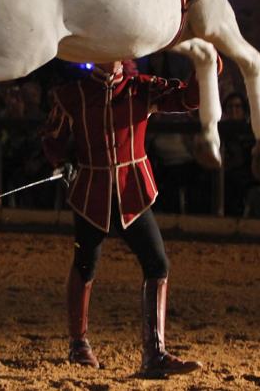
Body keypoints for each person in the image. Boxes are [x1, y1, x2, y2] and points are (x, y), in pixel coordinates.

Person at [41, 60, 203, 378]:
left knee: (157, 263)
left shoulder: (141, 86)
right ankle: (78, 344)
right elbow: (52, 138)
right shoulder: (71, 94)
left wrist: (204, 65)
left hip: (133, 192)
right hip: (91, 192)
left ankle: (154, 352)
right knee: (85, 263)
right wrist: (63, 161)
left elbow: (188, 100)